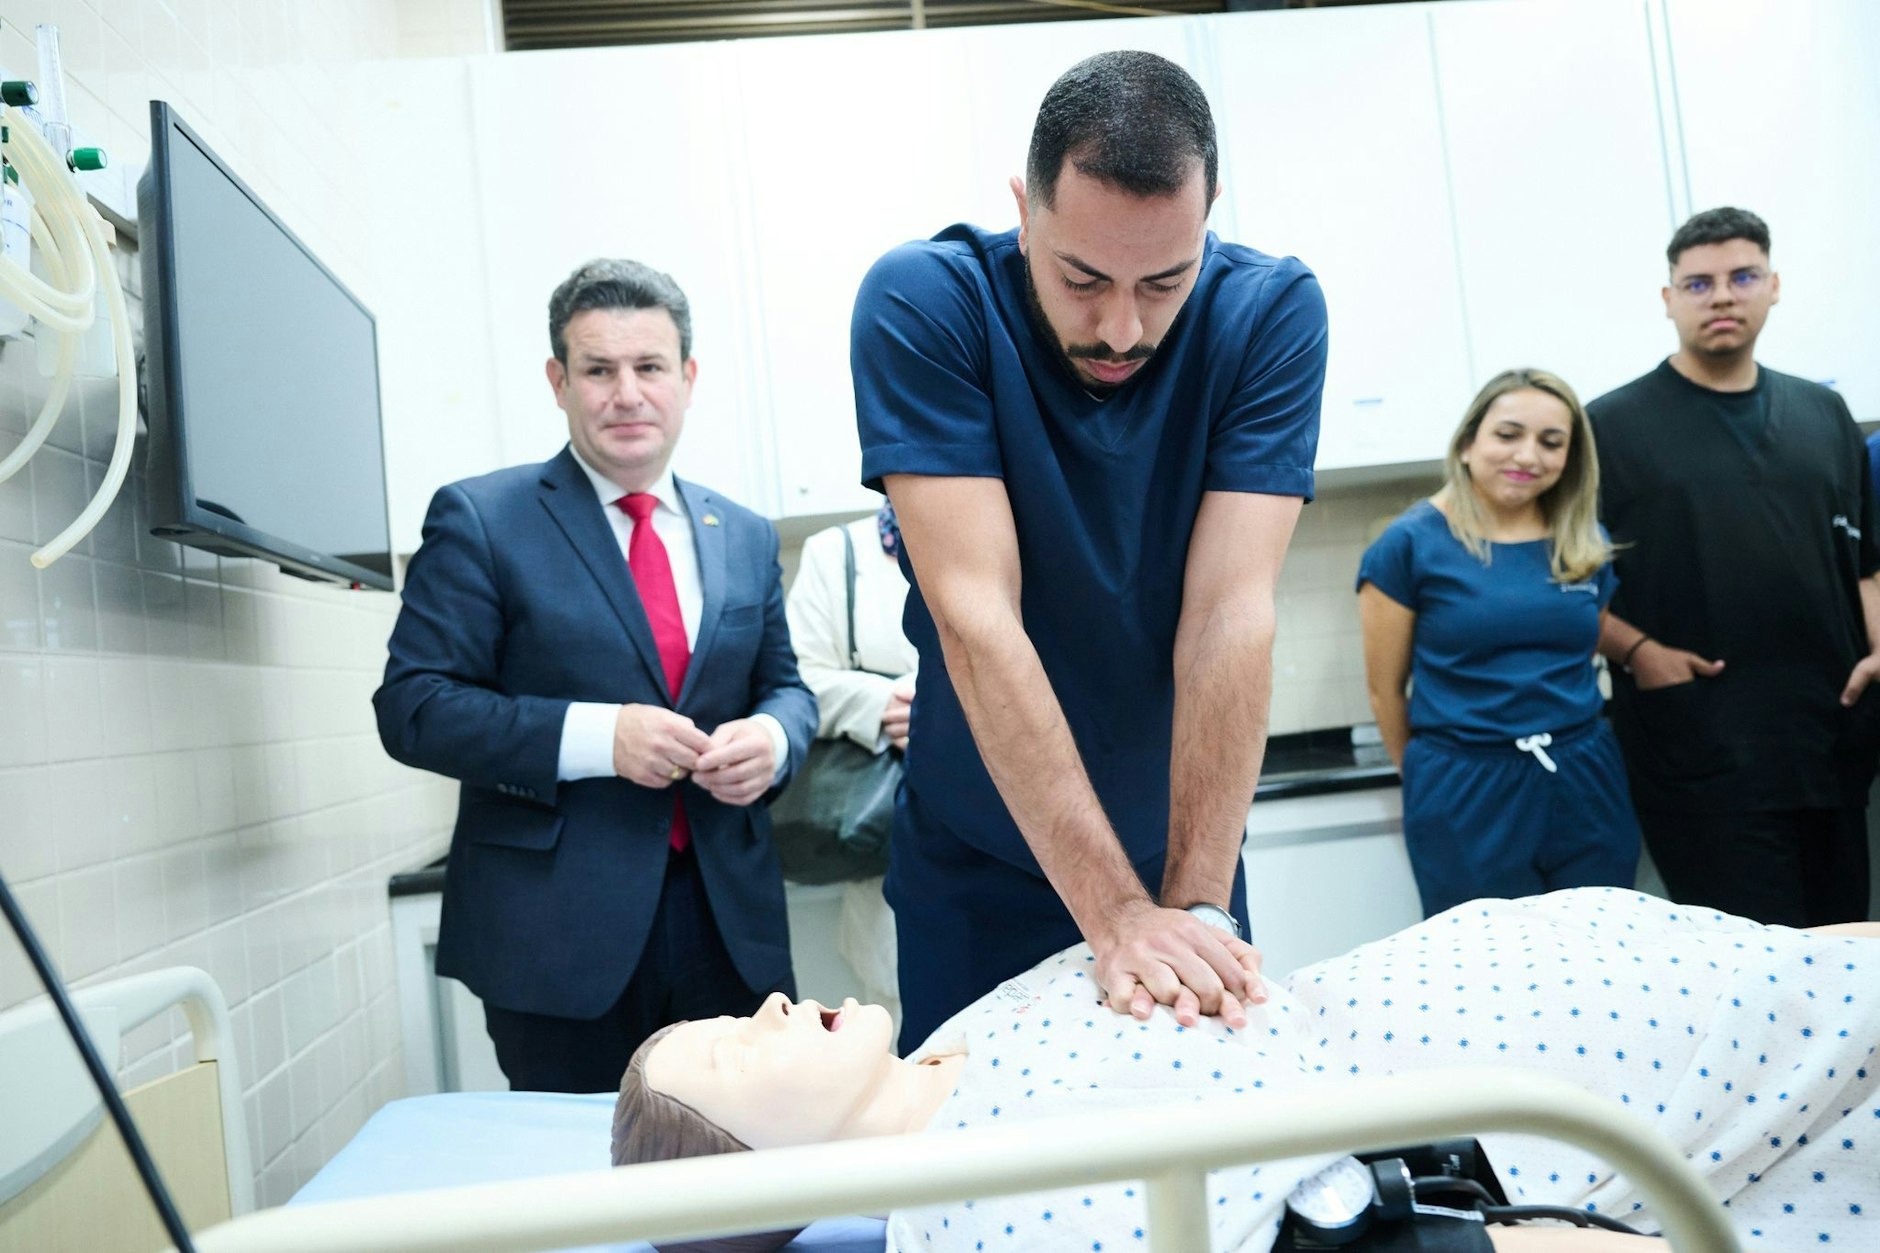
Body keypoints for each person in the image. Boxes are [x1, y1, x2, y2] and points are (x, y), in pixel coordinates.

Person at [851, 50, 1327, 1052]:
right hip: (977, 861)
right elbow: (976, 615)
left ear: (1209, 218)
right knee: (985, 1170)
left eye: (1164, 280)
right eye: (1080, 278)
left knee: (1204, 1156)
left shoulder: (1269, 315)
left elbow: (1228, 612)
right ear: (1024, 207)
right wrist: (1111, 917)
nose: (1120, 325)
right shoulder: (925, 304)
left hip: (1182, 848)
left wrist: (1190, 910)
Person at [612, 888, 1880, 1252]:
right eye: (732, 1045)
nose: (772, 1000)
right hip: (1594, 1087)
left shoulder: (968, 1026)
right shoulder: (988, 1205)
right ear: (744, 1176)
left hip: (1561, 966)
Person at [374, 259, 818, 1093]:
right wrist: (596, 737)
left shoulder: (746, 533)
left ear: (686, 377)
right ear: (558, 380)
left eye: (649, 367)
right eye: (598, 369)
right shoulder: (483, 519)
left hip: (729, 923)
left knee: (743, 1182)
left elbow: (786, 687)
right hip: (558, 939)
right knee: (586, 1193)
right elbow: (414, 707)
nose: (627, 393)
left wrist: (772, 737)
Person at [1588, 207, 1880, 928]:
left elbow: (1865, 562)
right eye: (1699, 283)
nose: (1722, 295)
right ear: (1668, 300)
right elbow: (1551, 580)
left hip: (1830, 743)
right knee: (1750, 981)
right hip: (1699, 752)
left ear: (1774, 286)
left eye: (1742, 276)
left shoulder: (1826, 414)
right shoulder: (1609, 427)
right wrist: (1639, 651)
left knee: (1846, 966)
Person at [1357, 369, 1639, 917]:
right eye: (1508, 434)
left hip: (1584, 774)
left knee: (1604, 953)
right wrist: (1427, 780)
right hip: (1465, 785)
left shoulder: (1585, 540)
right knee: (1488, 972)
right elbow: (1385, 692)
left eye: (1551, 442)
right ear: (1468, 443)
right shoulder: (1409, 545)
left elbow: (1582, 648)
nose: (1528, 455)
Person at [782, 498, 919, 1018]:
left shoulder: (1010, 533)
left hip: (1015, 834)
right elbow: (795, 680)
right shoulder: (835, 553)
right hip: (887, 844)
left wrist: (949, 709)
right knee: (902, 1021)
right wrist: (888, 703)